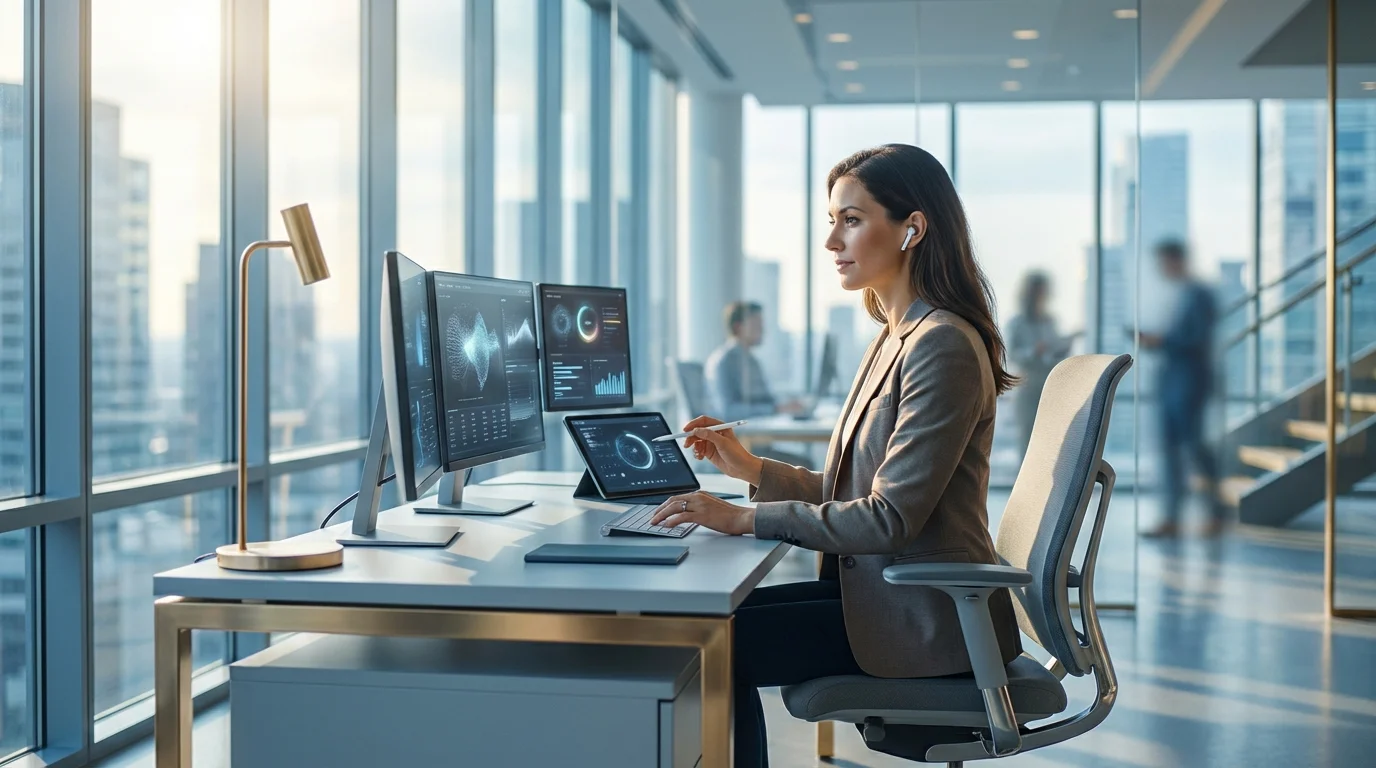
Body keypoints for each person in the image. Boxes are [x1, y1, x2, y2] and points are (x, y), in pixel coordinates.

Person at [649, 144, 1022, 768]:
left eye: (851, 220)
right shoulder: (895, 335)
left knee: (709, 644)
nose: (831, 242)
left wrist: (740, 517)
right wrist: (753, 472)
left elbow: (886, 519)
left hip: (923, 621)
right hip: (887, 596)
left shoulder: (942, 345)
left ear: (913, 228)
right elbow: (858, 488)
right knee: (707, 620)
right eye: (832, 221)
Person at [1136, 239, 1223, 537]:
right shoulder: (1177, 295)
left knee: (1195, 448)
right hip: (1171, 379)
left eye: (1164, 262)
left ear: (1177, 260)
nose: (1161, 269)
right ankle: (1171, 517)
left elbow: (1199, 337)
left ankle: (1215, 512)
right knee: (1169, 451)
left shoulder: (1199, 294)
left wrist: (1161, 341)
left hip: (1190, 380)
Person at [1006, 272, 1074, 462]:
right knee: (1027, 443)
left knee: (1051, 445)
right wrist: (1033, 351)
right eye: (1038, 292)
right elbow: (1012, 355)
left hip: (1050, 387)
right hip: (1028, 388)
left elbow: (1053, 354)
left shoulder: (1050, 321)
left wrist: (1062, 347)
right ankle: (1028, 491)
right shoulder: (1017, 323)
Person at [704, 301, 806, 421]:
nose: (762, 330)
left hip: (756, 428)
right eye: (756, 325)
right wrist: (775, 409)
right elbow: (727, 411)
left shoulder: (752, 361)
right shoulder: (723, 361)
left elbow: (766, 399)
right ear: (738, 327)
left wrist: (786, 405)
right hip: (738, 434)